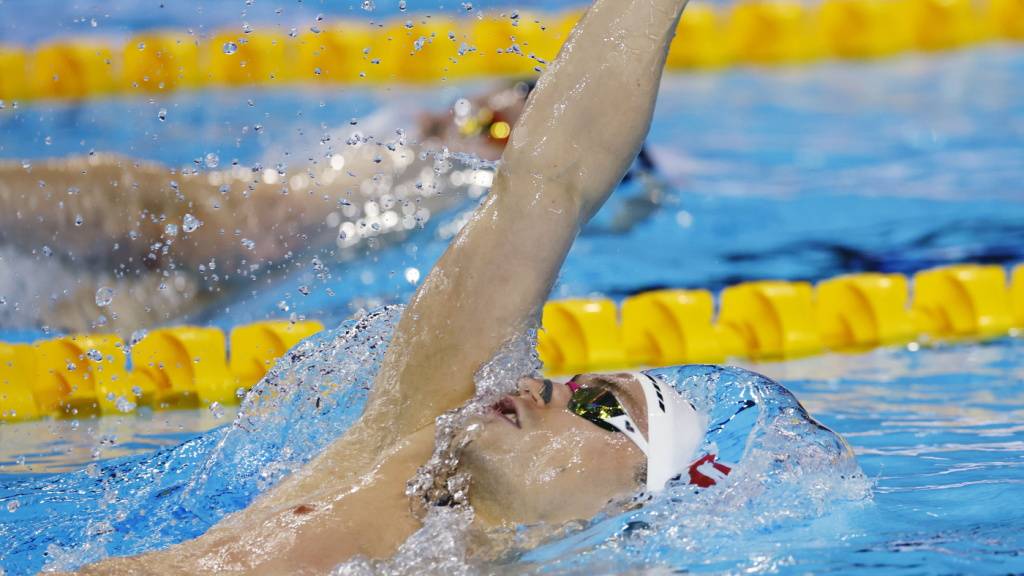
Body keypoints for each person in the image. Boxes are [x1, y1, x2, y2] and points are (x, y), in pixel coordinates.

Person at [78, 0, 705, 572]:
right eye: (578, 386)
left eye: (600, 408)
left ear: (627, 505)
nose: (545, 386)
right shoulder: (405, 458)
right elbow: (551, 180)